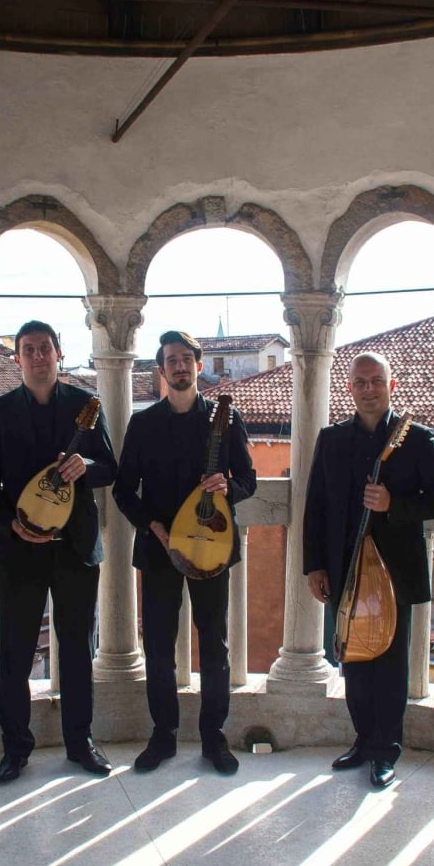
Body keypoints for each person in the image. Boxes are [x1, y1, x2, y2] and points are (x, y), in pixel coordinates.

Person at [0, 320, 118, 781]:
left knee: (77, 648)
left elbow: (111, 467)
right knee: (14, 652)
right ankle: (15, 748)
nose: (38, 356)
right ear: (17, 359)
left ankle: (81, 743)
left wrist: (86, 465)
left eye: (45, 348)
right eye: (29, 349)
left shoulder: (85, 405)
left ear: (59, 354)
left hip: (75, 547)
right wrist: (13, 525)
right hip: (20, 549)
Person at [303, 352, 434, 788]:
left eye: (377, 381)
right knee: (352, 656)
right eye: (360, 382)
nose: (369, 389)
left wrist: (395, 505)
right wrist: (314, 566)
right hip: (344, 567)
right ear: (349, 388)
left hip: (393, 571)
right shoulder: (332, 440)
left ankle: (387, 749)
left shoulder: (417, 439)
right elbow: (315, 505)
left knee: (389, 661)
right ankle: (363, 740)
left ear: (391, 385)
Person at [113, 331, 257, 776]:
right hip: (159, 550)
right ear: (161, 371)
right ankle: (164, 736)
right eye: (170, 360)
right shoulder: (144, 423)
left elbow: (248, 480)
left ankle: (214, 737)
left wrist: (226, 488)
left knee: (214, 644)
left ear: (198, 365)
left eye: (186, 359)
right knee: (158, 646)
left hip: (212, 544)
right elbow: (123, 490)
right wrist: (152, 526)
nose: (179, 366)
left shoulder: (224, 420)